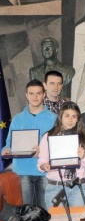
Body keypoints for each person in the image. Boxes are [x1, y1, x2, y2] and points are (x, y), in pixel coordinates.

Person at [1, 80, 57, 209]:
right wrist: (6, 149)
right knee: (26, 212)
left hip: (45, 171)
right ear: (26, 95)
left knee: (45, 212)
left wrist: (42, 151)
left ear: (44, 95)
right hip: (22, 171)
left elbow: (57, 145)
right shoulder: (17, 118)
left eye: (38, 93)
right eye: (31, 94)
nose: (35, 97)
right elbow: (9, 143)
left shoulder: (53, 118)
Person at [37, 102, 85, 209]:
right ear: (60, 117)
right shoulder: (49, 136)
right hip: (56, 187)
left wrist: (83, 158)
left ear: (78, 119)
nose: (70, 120)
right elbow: (41, 162)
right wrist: (45, 166)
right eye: (67, 116)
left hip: (79, 186)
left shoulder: (84, 138)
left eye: (74, 116)